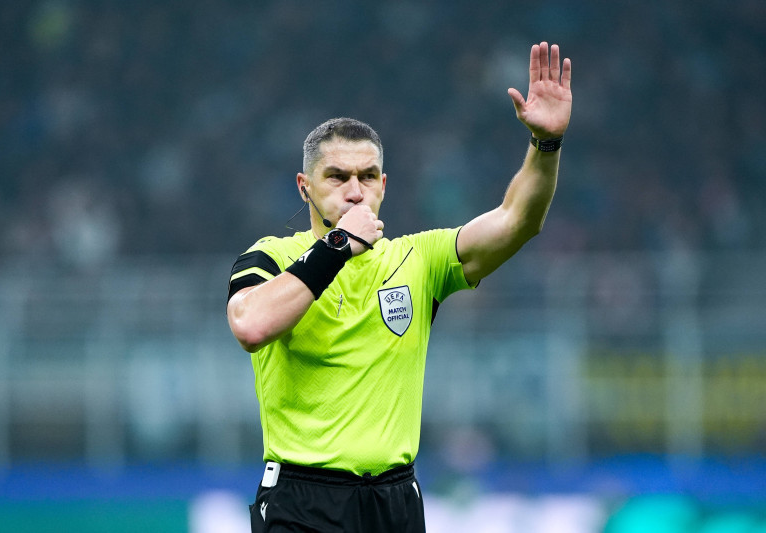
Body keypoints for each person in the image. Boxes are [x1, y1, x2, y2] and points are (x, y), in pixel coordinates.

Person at [226, 41, 572, 532]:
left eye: (368, 176)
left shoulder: (417, 259)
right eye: (337, 176)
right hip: (303, 501)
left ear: (384, 184)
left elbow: (518, 220)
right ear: (305, 187)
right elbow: (250, 325)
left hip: (394, 501)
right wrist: (339, 245)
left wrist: (546, 145)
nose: (354, 190)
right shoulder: (272, 257)